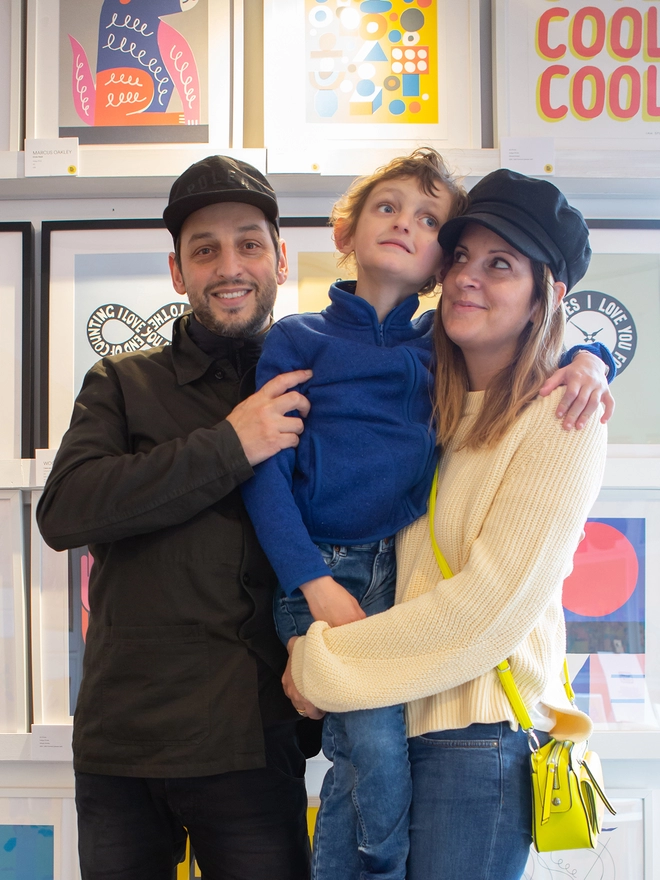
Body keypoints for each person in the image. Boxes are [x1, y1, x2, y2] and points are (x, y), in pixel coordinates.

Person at [241, 153, 614, 880]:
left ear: (547, 294)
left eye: (501, 263)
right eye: (465, 255)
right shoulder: (437, 396)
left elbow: (484, 610)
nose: (471, 275)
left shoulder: (562, 416)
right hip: (399, 711)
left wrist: (320, 663)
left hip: (477, 740)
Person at [37, 156, 314, 880]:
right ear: (176, 271)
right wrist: (231, 445)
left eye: (249, 243)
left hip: (255, 741)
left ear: (281, 258)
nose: (230, 265)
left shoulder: (315, 385)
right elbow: (66, 509)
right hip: (123, 745)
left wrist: (585, 358)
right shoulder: (122, 383)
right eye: (205, 249)